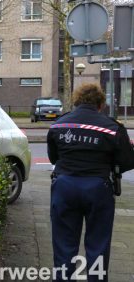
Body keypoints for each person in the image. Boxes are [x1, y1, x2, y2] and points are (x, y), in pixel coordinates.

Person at [47, 83, 134, 282]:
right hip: (97, 189)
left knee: (63, 245)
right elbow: (128, 161)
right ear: (100, 104)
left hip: (64, 187)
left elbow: (54, 158)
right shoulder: (113, 128)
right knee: (97, 246)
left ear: (76, 101)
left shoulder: (59, 124)